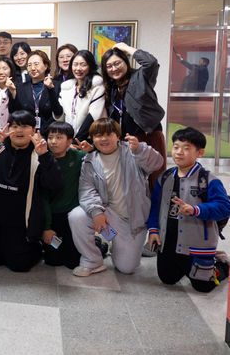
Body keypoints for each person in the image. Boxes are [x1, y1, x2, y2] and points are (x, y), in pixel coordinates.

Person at [68, 118, 164, 276]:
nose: (104, 139)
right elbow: (87, 191)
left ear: (117, 136)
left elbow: (157, 163)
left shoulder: (132, 151)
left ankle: (115, 245)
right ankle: (93, 261)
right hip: (108, 215)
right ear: (92, 138)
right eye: (98, 135)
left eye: (108, 134)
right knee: (77, 216)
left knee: (127, 268)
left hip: (133, 221)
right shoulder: (89, 161)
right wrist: (96, 212)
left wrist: (140, 149)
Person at [0, 110, 62, 272]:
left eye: (25, 126)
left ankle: (36, 245)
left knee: (19, 265)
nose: (20, 130)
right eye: (15, 126)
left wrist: (45, 156)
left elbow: (54, 184)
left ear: (34, 130)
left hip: (21, 223)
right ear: (8, 129)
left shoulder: (39, 155)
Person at [147, 127, 230, 292]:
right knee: (167, 279)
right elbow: (155, 205)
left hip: (197, 244)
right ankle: (187, 267)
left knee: (203, 286)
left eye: (186, 148)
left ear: (199, 152)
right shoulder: (164, 177)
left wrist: (195, 209)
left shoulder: (208, 179)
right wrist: (153, 230)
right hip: (169, 242)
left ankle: (222, 263)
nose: (179, 152)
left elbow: (224, 207)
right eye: (176, 147)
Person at [101, 42, 166, 188]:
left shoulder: (140, 77)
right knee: (131, 184)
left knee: (153, 181)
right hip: (124, 141)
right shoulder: (110, 88)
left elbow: (151, 62)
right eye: (109, 66)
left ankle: (156, 210)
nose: (114, 68)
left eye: (117, 63)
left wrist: (126, 48)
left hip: (148, 135)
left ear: (125, 61)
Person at [42, 121, 85, 269]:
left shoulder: (77, 156)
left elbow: (98, 158)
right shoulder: (44, 160)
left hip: (72, 216)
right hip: (52, 217)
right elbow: (42, 198)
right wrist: (46, 227)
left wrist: (91, 150)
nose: (53, 141)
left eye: (59, 137)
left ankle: (96, 245)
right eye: (50, 137)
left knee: (72, 261)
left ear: (69, 141)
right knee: (53, 259)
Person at [11, 50, 63, 136]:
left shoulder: (57, 85)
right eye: (29, 65)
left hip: (51, 134)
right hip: (27, 134)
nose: (32, 68)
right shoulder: (20, 88)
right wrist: (12, 92)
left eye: (36, 64)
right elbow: (15, 112)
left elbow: (58, 113)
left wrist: (51, 89)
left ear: (45, 66)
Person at [59, 50, 105, 142]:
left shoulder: (97, 85)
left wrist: (77, 141)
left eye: (83, 65)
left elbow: (93, 116)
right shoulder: (66, 88)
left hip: (89, 138)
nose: (78, 68)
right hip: (69, 139)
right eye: (75, 64)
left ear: (90, 66)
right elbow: (61, 114)